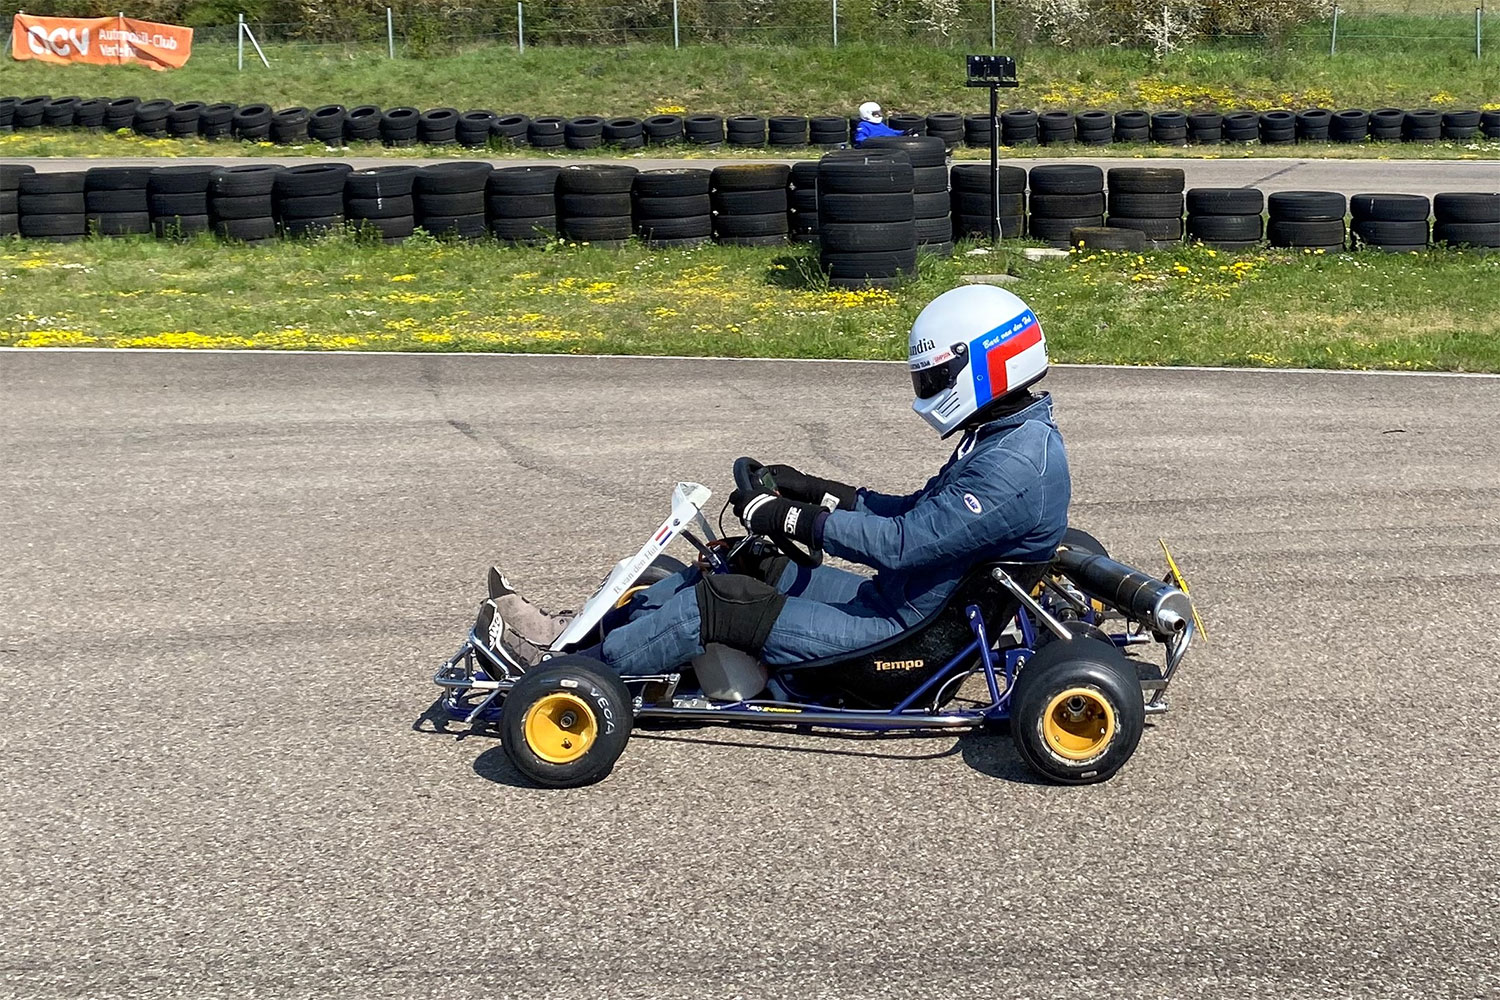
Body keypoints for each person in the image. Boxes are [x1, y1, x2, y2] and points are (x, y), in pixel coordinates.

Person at [477, 284, 1070, 677]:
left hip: (900, 640)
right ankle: (569, 636)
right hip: (895, 601)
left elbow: (904, 542)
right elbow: (911, 512)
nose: (926, 392)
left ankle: (566, 677)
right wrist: (809, 488)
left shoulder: (1015, 466)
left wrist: (783, 515)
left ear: (988, 361)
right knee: (742, 562)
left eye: (934, 377)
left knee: (718, 606)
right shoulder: (1006, 436)